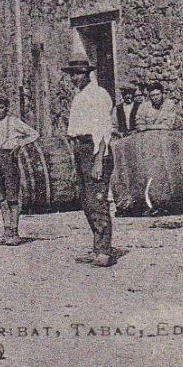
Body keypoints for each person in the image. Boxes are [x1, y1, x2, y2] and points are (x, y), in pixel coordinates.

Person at [65, 56, 117, 266]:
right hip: (80, 148)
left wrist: (99, 160)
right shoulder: (79, 97)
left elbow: (104, 130)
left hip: (95, 150)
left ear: (88, 74)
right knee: (86, 202)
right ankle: (97, 248)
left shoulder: (99, 95)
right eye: (73, 74)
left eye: (78, 74)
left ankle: (104, 251)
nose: (75, 78)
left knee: (97, 200)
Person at [0, 93, 39, 245]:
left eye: (1, 108)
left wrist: (19, 144)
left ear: (6, 108)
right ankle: (6, 231)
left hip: (9, 160)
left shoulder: (14, 122)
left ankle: (15, 233)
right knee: (1, 199)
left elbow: (34, 134)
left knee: (12, 198)